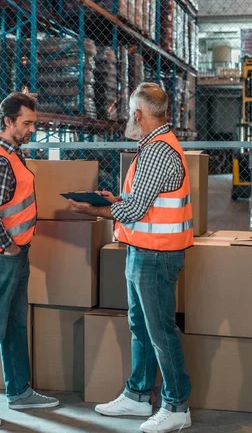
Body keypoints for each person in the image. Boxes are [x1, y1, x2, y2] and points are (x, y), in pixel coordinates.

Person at [69, 82, 193, 433]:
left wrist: (94, 210)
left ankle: (176, 406)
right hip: (144, 251)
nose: (128, 118)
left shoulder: (157, 151)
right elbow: (143, 201)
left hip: (156, 256)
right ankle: (138, 396)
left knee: (160, 331)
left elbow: (137, 209)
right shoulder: (155, 147)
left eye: (129, 113)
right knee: (141, 327)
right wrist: (113, 198)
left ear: (138, 114)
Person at [0, 92, 59, 428]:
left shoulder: (10, 152)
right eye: (26, 123)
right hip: (0, 256)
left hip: (16, 253)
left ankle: (19, 391)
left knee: (16, 325)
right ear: (7, 122)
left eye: (33, 123)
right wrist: (6, 245)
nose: (31, 129)